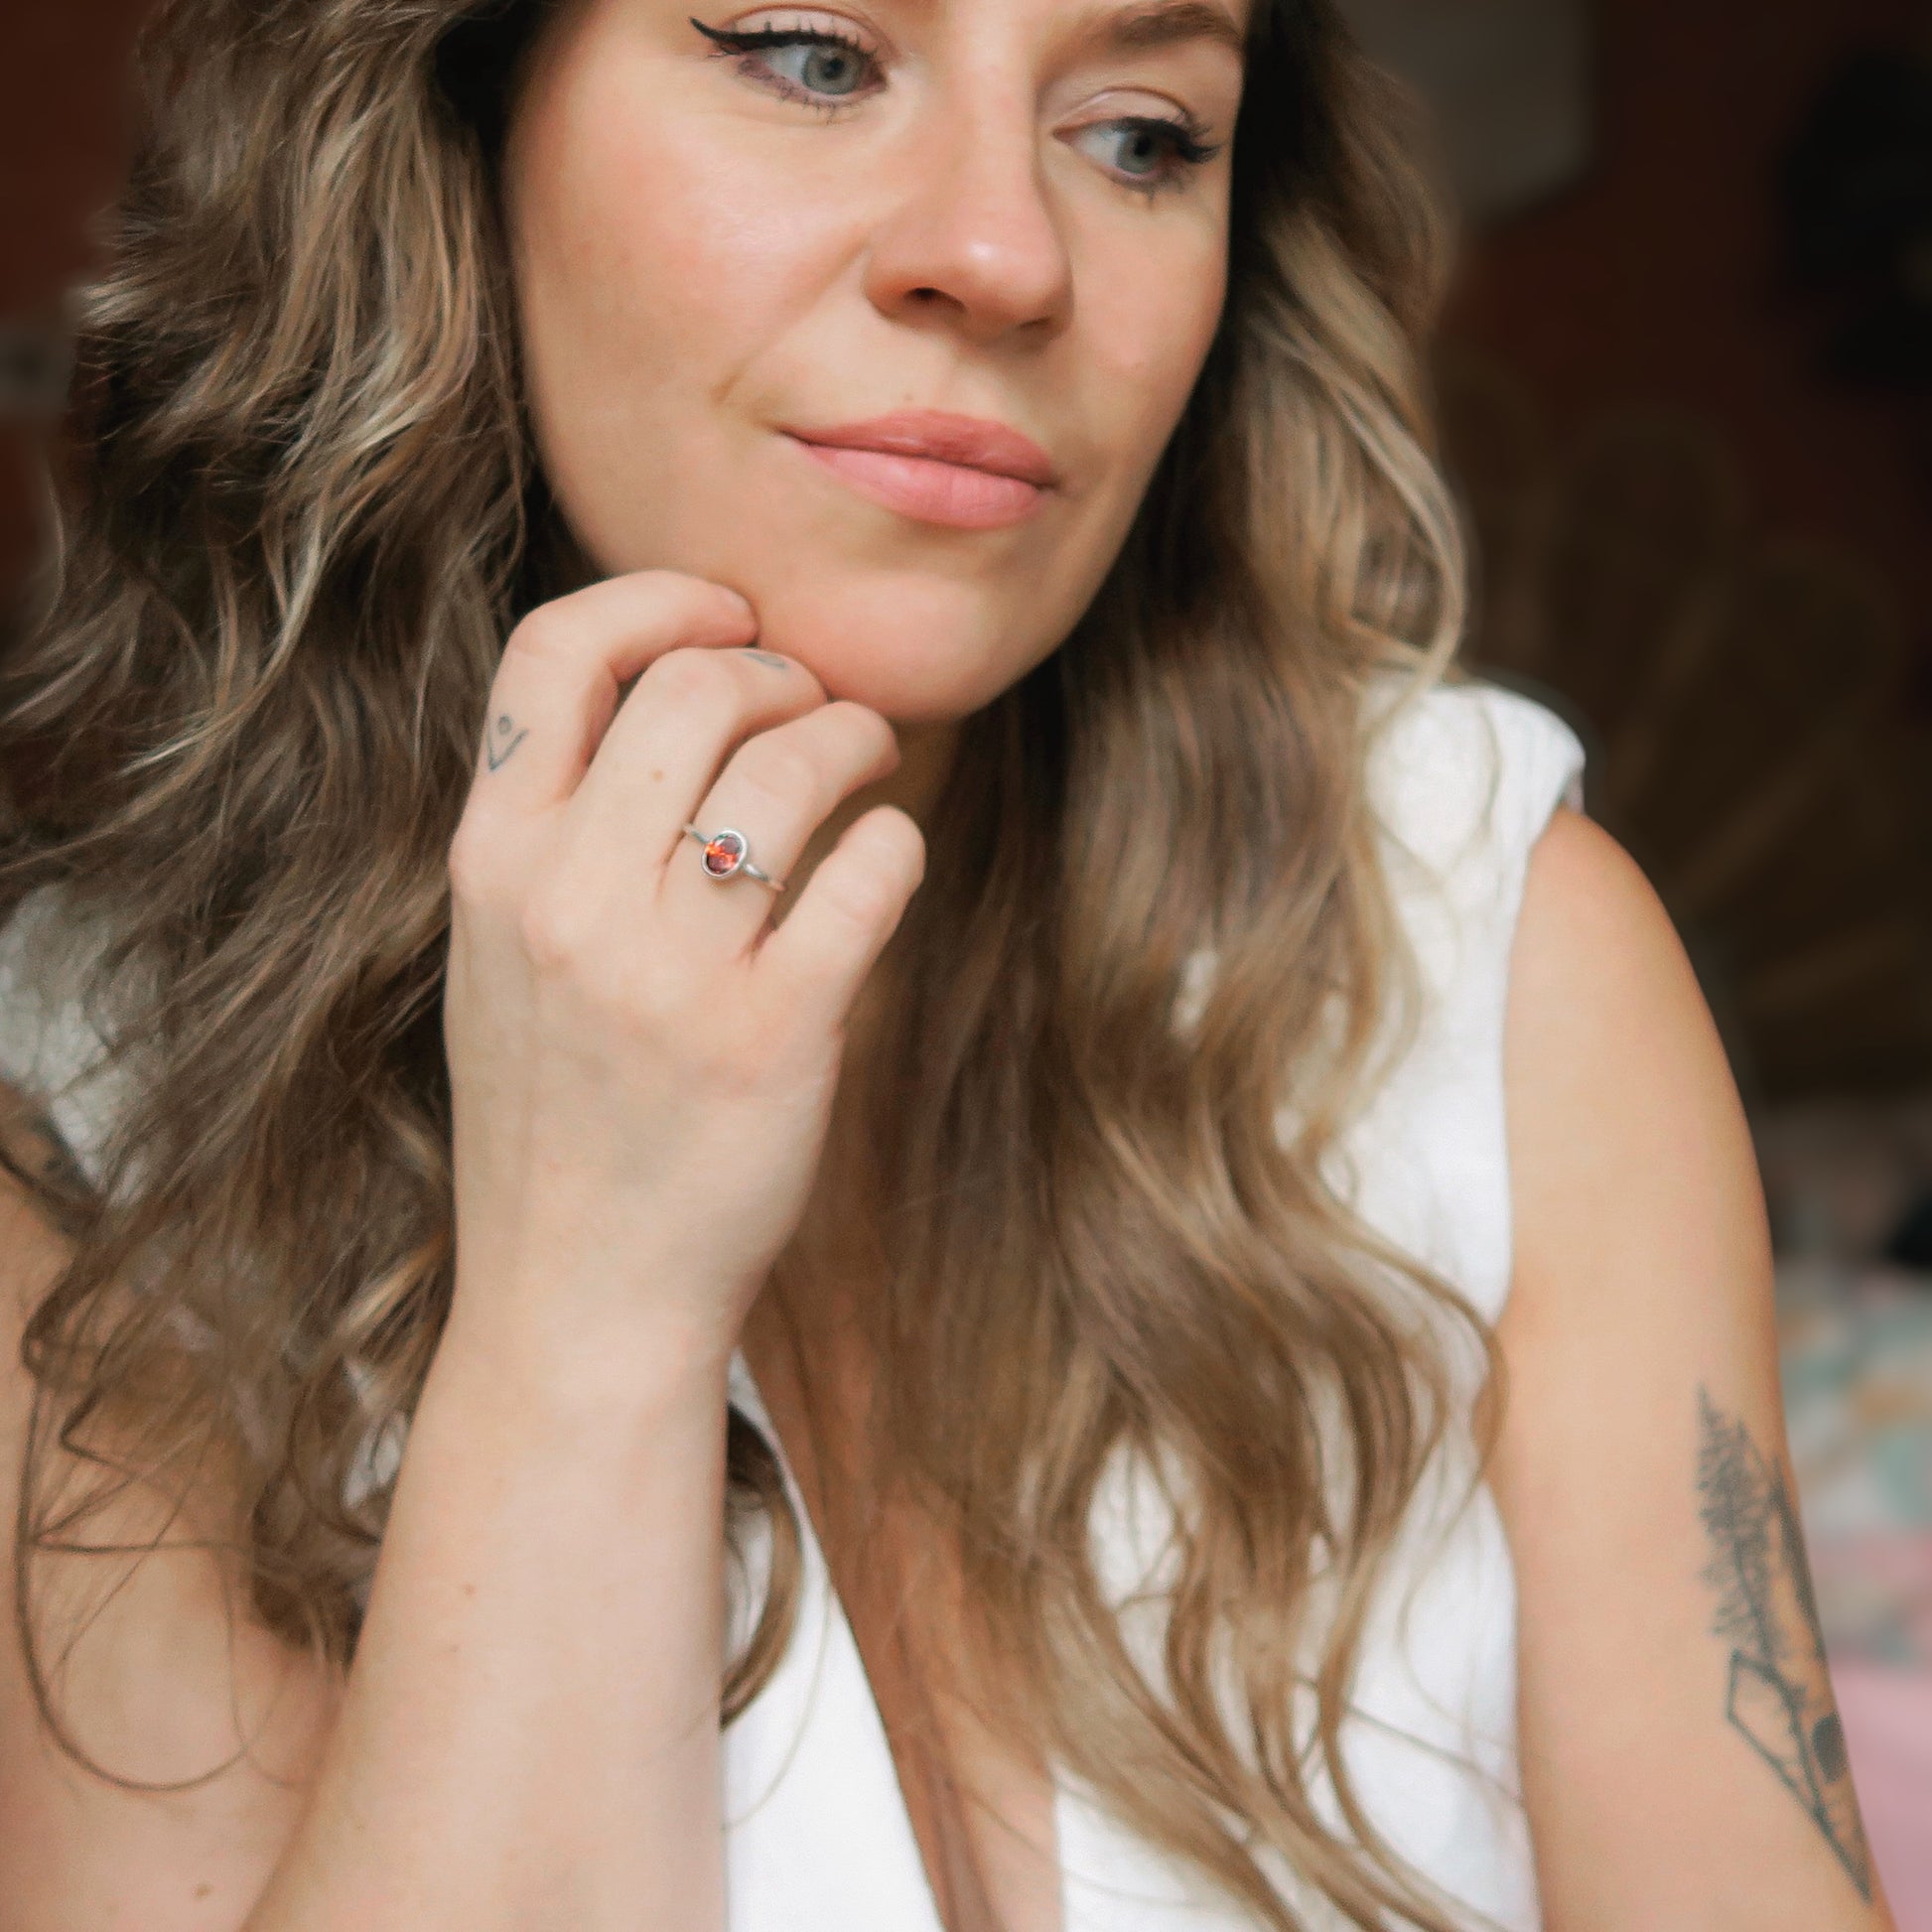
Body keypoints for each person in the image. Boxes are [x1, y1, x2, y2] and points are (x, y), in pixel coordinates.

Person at [0, 0, 1896, 1927]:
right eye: (814, 55)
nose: (1004, 254)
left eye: (1144, 132)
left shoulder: (1489, 955)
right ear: (463, 117)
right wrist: (584, 1312)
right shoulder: (82, 1163)